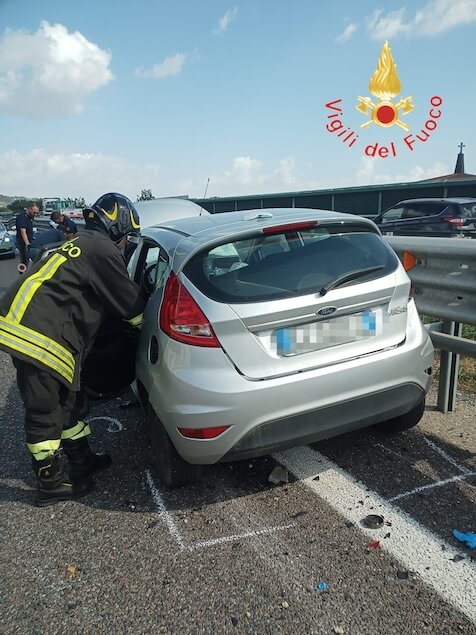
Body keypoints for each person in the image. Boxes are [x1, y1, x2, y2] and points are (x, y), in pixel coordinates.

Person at [0, 193, 145, 507]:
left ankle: (82, 462)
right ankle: (49, 484)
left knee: (71, 402)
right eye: (127, 238)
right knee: (45, 409)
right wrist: (149, 328)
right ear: (119, 229)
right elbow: (131, 307)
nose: (126, 245)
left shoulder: (82, 242)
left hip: (37, 327)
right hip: (37, 334)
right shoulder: (102, 249)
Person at [15, 202, 39, 270]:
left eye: (37, 213)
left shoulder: (30, 217)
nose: (35, 214)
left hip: (29, 241)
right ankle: (22, 276)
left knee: (28, 260)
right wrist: (27, 243)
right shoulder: (22, 217)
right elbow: (23, 231)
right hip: (23, 243)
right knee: (24, 261)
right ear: (29, 209)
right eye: (34, 212)